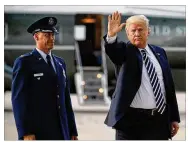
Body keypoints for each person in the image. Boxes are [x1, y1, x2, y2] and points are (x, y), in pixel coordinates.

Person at [104, 11, 180, 140]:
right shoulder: (125, 52)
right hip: (131, 123)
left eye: (140, 30)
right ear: (127, 33)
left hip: (159, 121)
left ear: (148, 31)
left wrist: (173, 118)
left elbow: (168, 88)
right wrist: (111, 35)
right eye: (133, 31)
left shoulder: (160, 52)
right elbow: (113, 50)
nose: (137, 34)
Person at [11, 17, 78, 140]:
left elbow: (66, 100)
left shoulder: (60, 63)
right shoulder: (25, 63)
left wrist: (72, 131)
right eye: (47, 35)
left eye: (53, 34)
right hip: (38, 132)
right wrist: (25, 132)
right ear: (36, 37)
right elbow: (19, 101)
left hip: (62, 132)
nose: (52, 38)